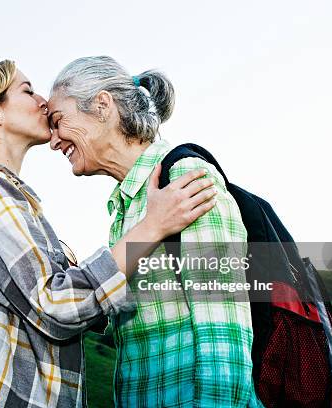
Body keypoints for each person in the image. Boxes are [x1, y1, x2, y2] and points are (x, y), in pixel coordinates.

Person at [0, 58, 217, 407]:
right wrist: (152, 227)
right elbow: (54, 305)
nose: (42, 102)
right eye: (27, 90)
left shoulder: (11, 198)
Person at [48, 56, 263, 407]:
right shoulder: (125, 210)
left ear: (102, 106)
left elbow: (224, 333)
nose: (53, 141)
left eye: (58, 122)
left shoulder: (184, 178)